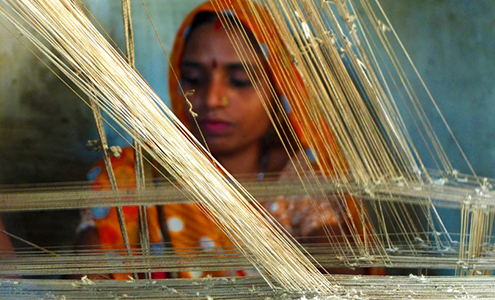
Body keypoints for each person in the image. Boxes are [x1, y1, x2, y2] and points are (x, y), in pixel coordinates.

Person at [77, 0, 377, 279]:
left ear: (280, 92)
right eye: (194, 78)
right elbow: (88, 281)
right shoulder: (132, 175)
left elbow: (343, 280)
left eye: (240, 81)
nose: (211, 99)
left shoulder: (302, 182)